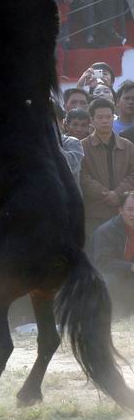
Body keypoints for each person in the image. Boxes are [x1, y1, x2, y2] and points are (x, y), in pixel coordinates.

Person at [80, 97, 134, 237]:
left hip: (123, 211)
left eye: (108, 117)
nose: (105, 121)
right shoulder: (82, 146)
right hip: (94, 213)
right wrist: (105, 194)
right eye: (100, 117)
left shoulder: (127, 146)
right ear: (92, 120)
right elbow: (82, 177)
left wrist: (117, 193)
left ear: (113, 117)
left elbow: (133, 174)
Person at [91, 191, 134, 317]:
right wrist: (131, 267)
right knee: (110, 280)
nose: (133, 214)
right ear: (120, 210)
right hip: (102, 277)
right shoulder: (106, 231)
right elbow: (102, 263)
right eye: (130, 209)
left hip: (127, 275)